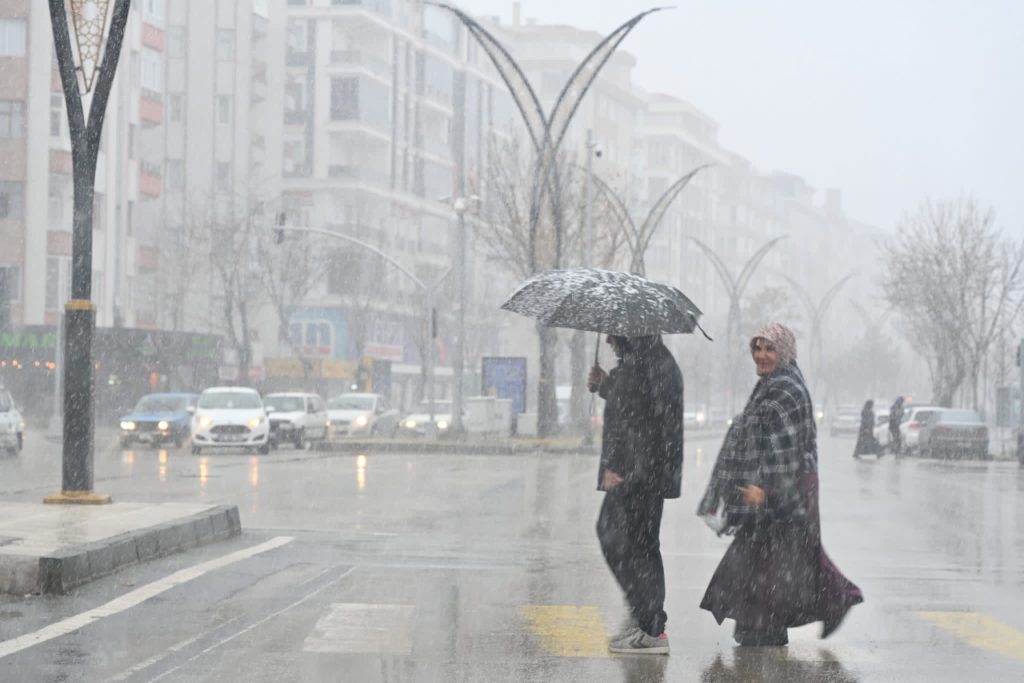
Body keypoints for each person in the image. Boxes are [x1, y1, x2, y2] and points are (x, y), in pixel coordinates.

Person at [697, 322, 863, 646]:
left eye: (769, 349)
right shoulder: (771, 383)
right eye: (757, 348)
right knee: (770, 558)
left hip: (787, 487)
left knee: (780, 561)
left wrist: (767, 490)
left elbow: (786, 448)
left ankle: (777, 622)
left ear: (784, 352)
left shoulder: (787, 388)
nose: (761, 355)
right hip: (777, 484)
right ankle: (757, 624)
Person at [587, 334, 683, 655]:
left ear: (631, 333)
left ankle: (650, 624)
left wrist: (626, 469)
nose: (609, 340)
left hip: (639, 477)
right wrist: (606, 385)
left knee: (624, 541)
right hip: (641, 475)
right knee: (637, 545)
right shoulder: (643, 361)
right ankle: (646, 619)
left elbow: (649, 424)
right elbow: (633, 405)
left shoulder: (649, 364)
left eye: (615, 334)